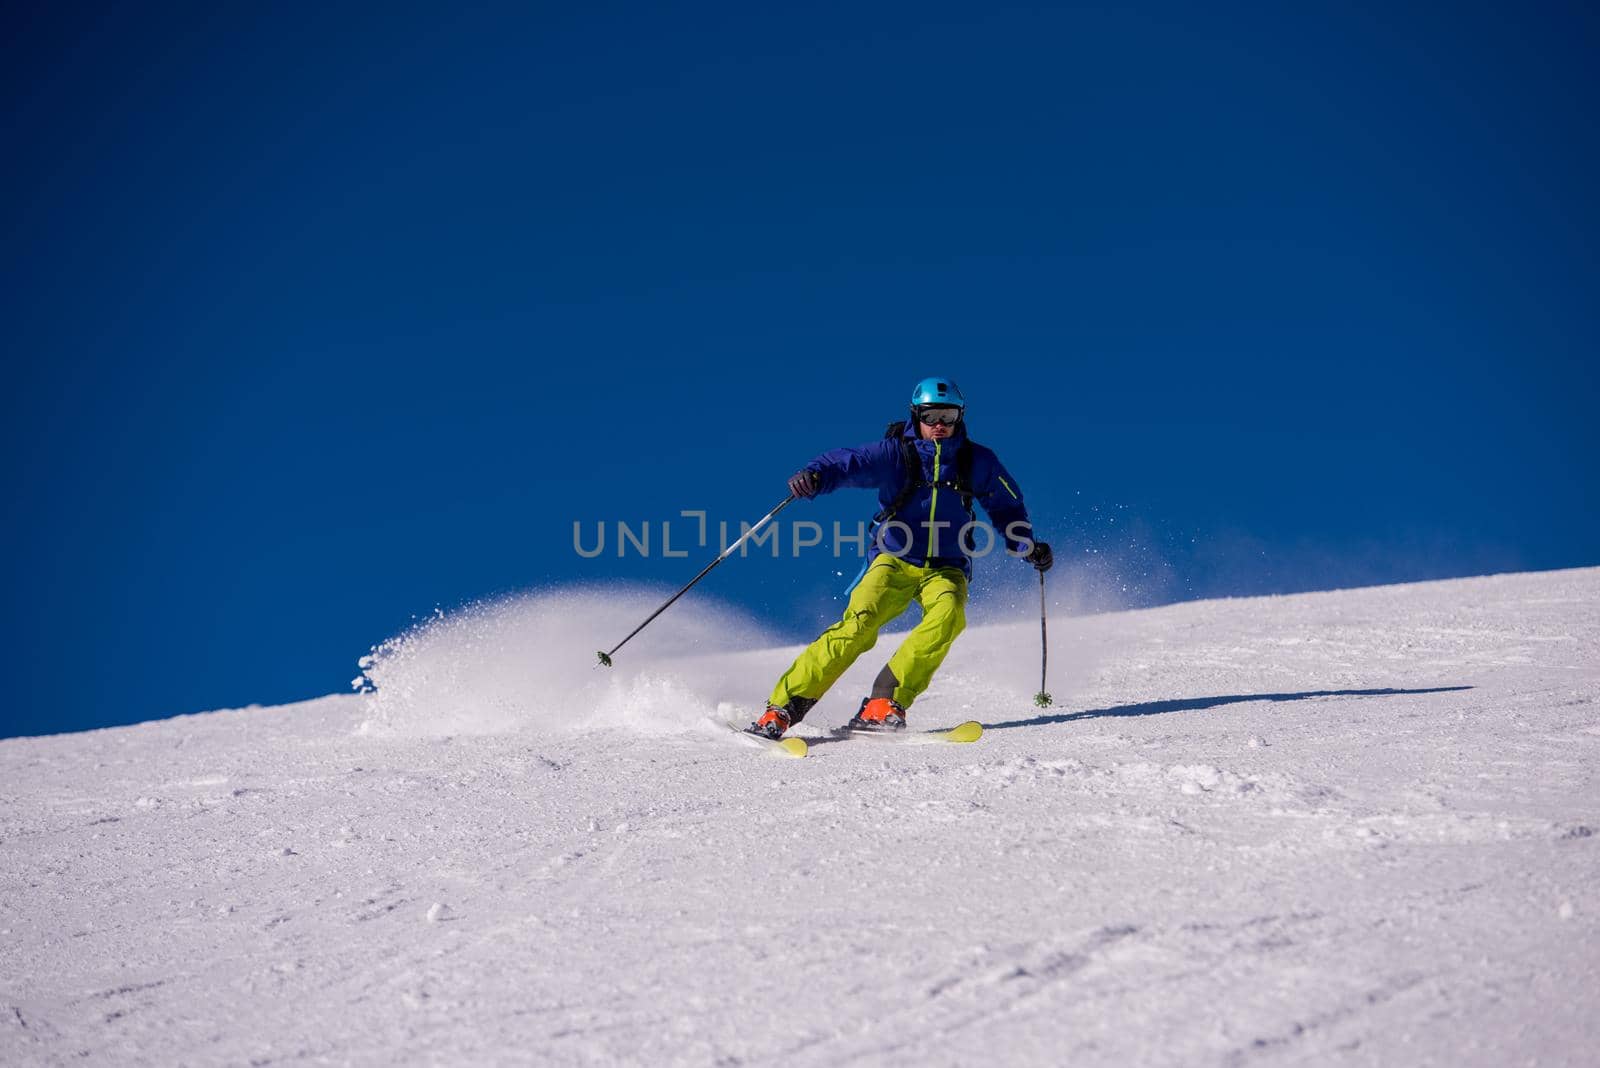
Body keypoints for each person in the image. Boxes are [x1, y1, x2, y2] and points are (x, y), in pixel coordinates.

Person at [748, 376, 1052, 737]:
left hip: (946, 567)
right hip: (893, 559)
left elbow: (1007, 505)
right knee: (858, 626)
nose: (939, 424)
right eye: (931, 415)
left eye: (948, 415)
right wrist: (816, 475)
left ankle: (884, 701)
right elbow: (850, 462)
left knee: (949, 616)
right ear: (916, 416)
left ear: (960, 417)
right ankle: (782, 708)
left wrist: (1026, 545)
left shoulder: (977, 461)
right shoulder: (897, 454)